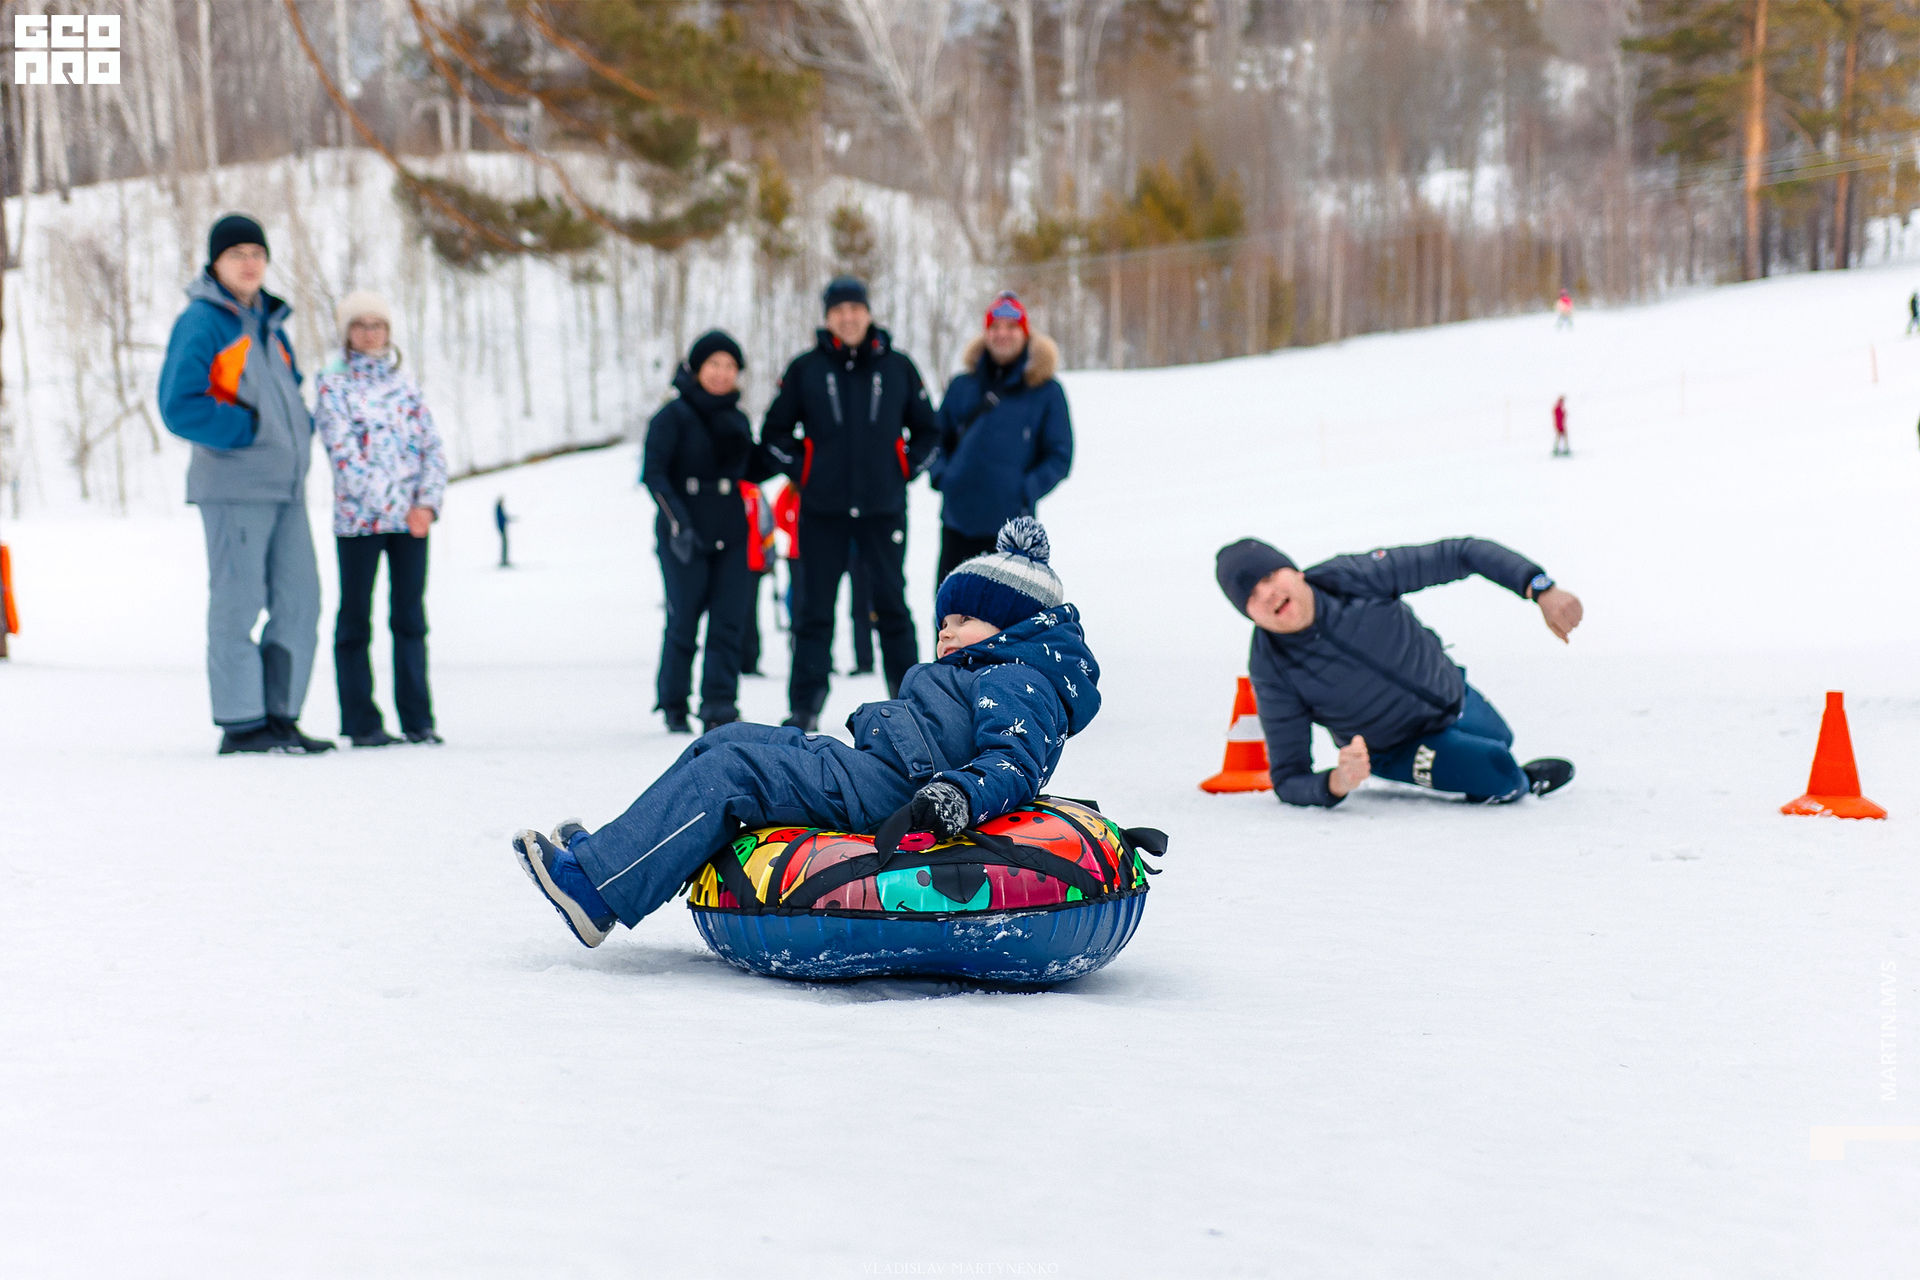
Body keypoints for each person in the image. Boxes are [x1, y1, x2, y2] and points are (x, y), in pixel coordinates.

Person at [508, 518, 1097, 949]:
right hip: (873, 768)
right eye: (941, 623)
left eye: (962, 621)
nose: (945, 635)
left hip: (897, 793)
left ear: (1016, 623)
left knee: (728, 774)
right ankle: (609, 856)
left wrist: (959, 796)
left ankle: (598, 892)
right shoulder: (990, 667)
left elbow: (1016, 761)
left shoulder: (1020, 678)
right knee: (725, 738)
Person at [1214, 537, 1581, 807]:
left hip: (1453, 694)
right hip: (1396, 748)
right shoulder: (1271, 667)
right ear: (1249, 615)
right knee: (1498, 769)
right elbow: (1289, 778)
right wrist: (1337, 782)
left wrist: (1539, 588)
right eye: (1250, 596)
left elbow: (1461, 553)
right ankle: (1522, 781)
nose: (1266, 594)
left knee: (1502, 739)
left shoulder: (1353, 576)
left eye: (1268, 577)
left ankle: (1476, 763)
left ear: (1295, 571)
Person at [157, 214, 333, 756]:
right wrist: (251, 431)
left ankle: (279, 718)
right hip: (234, 488)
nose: (250, 262)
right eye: (237, 253)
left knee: (301, 600)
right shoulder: (203, 322)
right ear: (215, 263)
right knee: (238, 602)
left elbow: (290, 393)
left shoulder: (270, 325)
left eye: (257, 252)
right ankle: (242, 723)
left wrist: (298, 427)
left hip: (285, 489)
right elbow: (178, 405)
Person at [757, 276, 939, 730]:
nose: (848, 317)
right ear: (827, 318)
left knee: (891, 608)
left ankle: (910, 706)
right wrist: (805, 470)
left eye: (855, 308)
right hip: (823, 512)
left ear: (868, 313)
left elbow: (930, 432)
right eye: (839, 310)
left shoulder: (898, 367)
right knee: (814, 612)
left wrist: (904, 467)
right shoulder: (806, 369)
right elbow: (775, 433)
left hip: (882, 511)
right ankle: (804, 708)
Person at [314, 290, 448, 748]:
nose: (370, 333)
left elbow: (432, 445)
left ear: (389, 332)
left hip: (412, 523)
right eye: (360, 325)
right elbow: (345, 459)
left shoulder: (405, 385)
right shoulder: (332, 386)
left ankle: (418, 719)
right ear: (348, 333)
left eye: (378, 325)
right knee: (355, 617)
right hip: (360, 522)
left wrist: (427, 504)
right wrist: (399, 507)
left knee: (410, 617)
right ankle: (362, 722)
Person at [642, 329, 763, 734]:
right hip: (684, 532)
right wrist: (678, 523)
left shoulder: (737, 418)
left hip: (731, 530)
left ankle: (719, 705)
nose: (721, 373)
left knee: (729, 620)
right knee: (684, 622)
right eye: (714, 364)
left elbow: (750, 467)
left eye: (730, 366)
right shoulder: (672, 416)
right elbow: (654, 474)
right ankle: (674, 703)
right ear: (696, 368)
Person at [929, 291, 1073, 584]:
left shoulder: (1046, 391)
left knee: (1006, 620)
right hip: (958, 522)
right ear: (986, 334)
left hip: (1012, 529)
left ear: (1025, 334)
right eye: (995, 327)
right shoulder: (962, 385)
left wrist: (1025, 489)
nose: (1002, 334)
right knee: (951, 617)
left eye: (1011, 327)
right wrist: (944, 477)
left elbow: (1059, 454)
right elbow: (934, 438)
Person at [494, 496, 513, 568]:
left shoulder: (499, 508)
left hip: (502, 527)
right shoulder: (499, 508)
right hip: (502, 528)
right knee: (504, 544)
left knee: (505, 544)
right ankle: (504, 560)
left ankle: (504, 559)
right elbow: (502, 518)